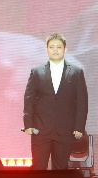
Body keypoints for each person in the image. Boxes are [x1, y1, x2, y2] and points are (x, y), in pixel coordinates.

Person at [22, 33, 89, 170]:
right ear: (47, 49)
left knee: (61, 170)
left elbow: (82, 101)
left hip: (65, 129)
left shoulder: (76, 72)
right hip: (40, 129)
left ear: (65, 49)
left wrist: (79, 127)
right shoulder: (36, 72)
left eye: (59, 47)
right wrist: (28, 124)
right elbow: (29, 99)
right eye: (51, 47)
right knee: (38, 168)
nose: (55, 50)